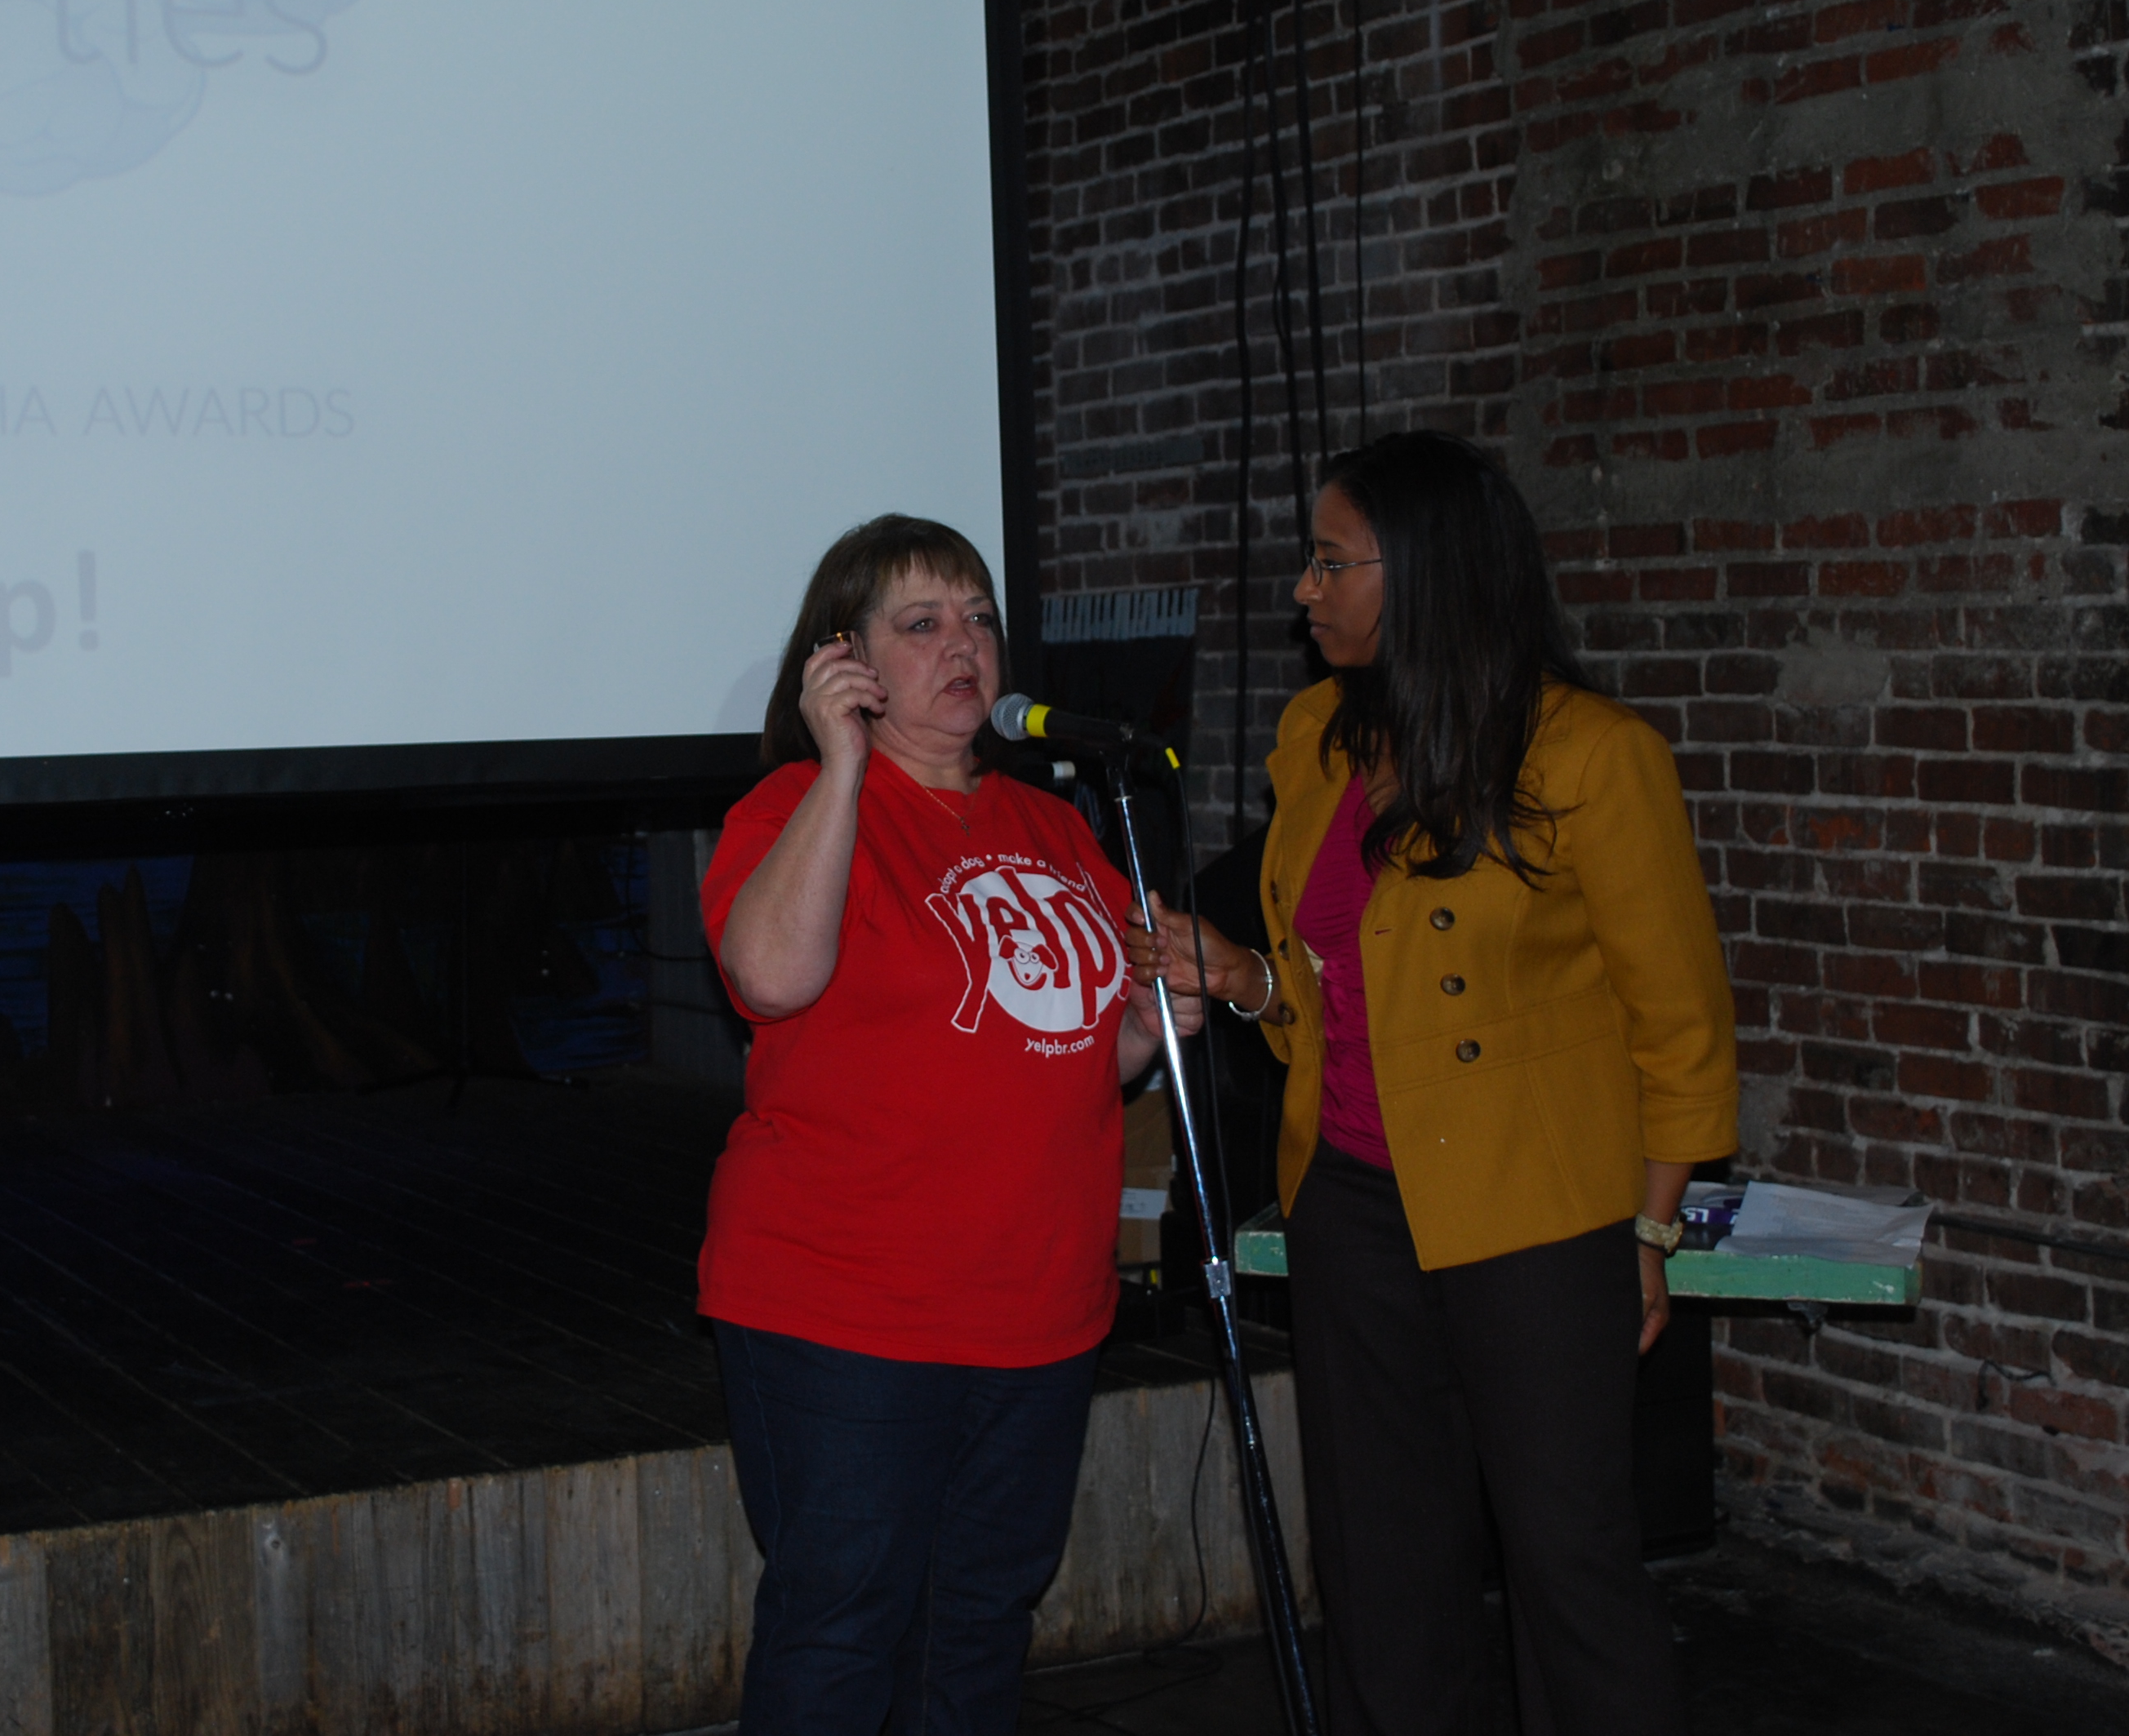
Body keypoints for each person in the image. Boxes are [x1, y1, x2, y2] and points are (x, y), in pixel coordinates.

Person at [1132, 433, 1738, 1736]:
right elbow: (1333, 997)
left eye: (1331, 561)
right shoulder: (1318, 738)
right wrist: (1247, 979)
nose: (1305, 589)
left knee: (1567, 1560)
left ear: (1424, 574)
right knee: (1382, 1560)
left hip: (1537, 1214)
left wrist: (1650, 1231)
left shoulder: (1592, 755)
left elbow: (1681, 1024)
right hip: (1349, 1199)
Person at [701, 514, 1198, 1736]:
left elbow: (1088, 1053)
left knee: (978, 1629)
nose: (962, 644)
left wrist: (1157, 1014)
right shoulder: (793, 808)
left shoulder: (1056, 826)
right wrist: (841, 765)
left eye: (978, 618)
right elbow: (769, 977)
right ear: (845, 661)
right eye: (921, 623)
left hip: (1037, 1305)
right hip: (847, 1308)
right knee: (841, 1627)